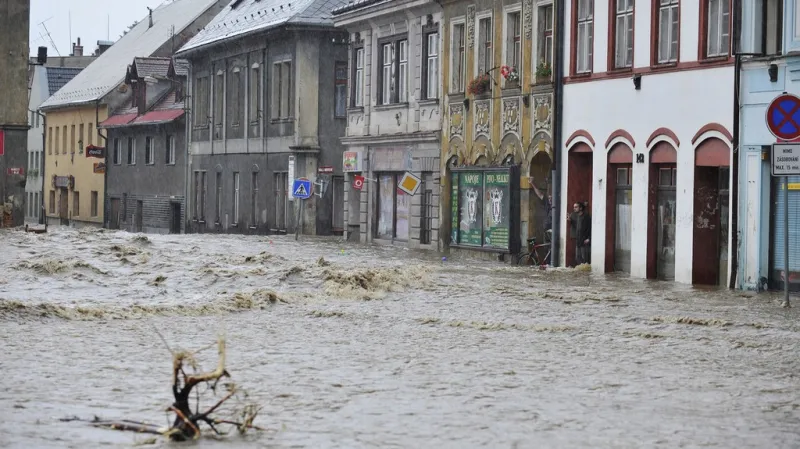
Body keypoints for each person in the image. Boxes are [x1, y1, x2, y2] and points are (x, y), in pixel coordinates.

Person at [567, 201, 591, 265]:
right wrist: (570, 220)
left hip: (585, 241)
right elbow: (577, 227)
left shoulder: (586, 216)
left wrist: (589, 238)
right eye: (574, 207)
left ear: (580, 208)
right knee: (578, 258)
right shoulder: (577, 216)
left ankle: (586, 274)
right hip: (578, 241)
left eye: (576, 207)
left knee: (585, 260)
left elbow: (590, 228)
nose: (574, 208)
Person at [531, 177, 553, 242]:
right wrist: (532, 183)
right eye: (549, 198)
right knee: (546, 243)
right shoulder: (546, 202)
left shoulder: (556, 204)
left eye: (551, 198)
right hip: (547, 227)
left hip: (554, 227)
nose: (550, 199)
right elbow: (539, 194)